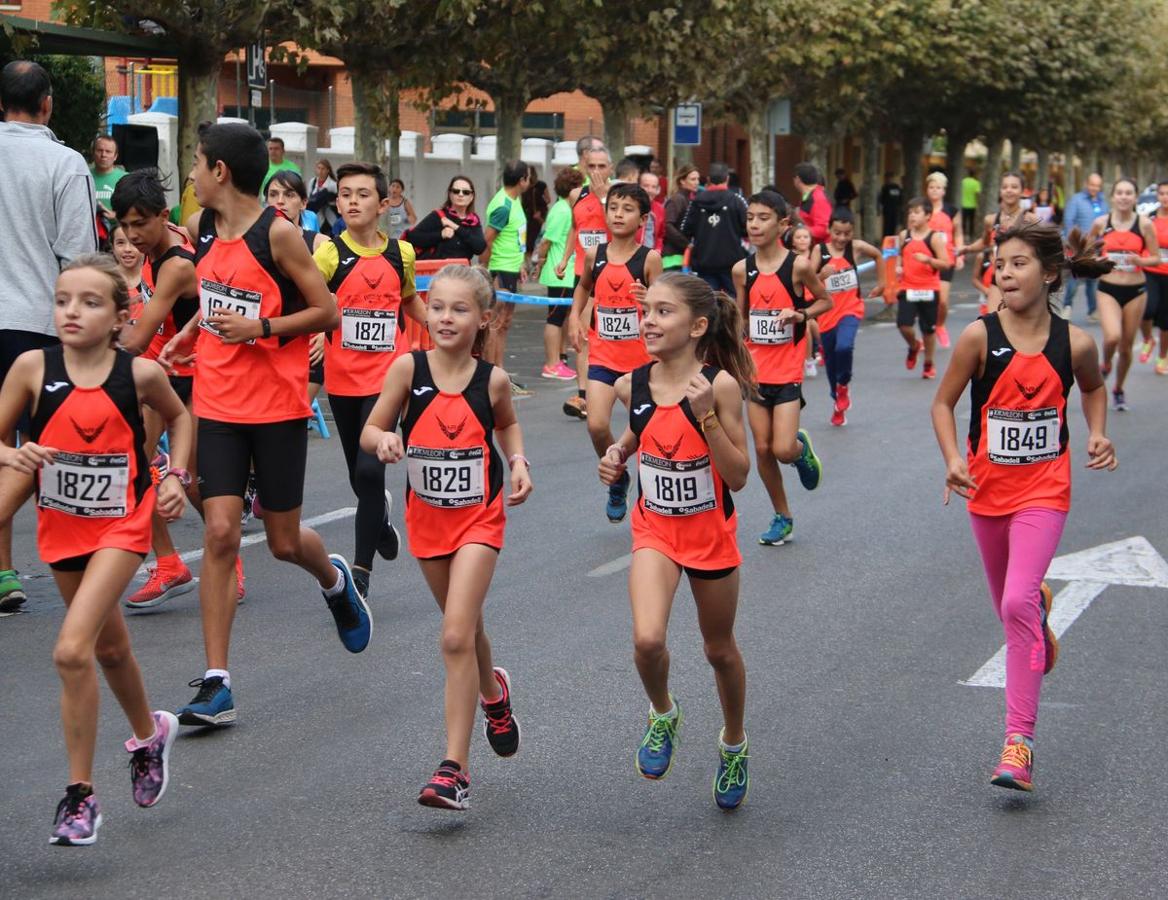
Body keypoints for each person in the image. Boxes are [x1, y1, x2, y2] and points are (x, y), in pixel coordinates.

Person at [158, 123, 370, 728]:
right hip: (218, 404)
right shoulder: (201, 230)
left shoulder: (278, 235)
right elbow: (216, 295)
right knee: (221, 532)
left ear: (220, 171)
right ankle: (217, 681)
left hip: (275, 408)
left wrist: (264, 331)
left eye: (197, 163)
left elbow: (327, 310)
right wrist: (185, 334)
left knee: (282, 541)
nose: (192, 174)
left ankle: (333, 582)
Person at [0, 254, 192, 844]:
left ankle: (79, 798)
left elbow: (180, 418)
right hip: (62, 527)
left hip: (123, 525)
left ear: (118, 316)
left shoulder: (138, 375)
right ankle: (150, 733)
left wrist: (175, 475)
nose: (71, 312)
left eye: (89, 302)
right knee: (108, 650)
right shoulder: (32, 368)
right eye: (62, 301)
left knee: (70, 650)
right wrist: (14, 456)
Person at [931, 220, 1117, 793]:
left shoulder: (1075, 343)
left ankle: (1019, 744)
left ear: (1050, 274)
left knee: (1013, 605)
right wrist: (952, 460)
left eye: (1017, 263)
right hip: (985, 493)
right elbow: (943, 404)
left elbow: (1091, 387)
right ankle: (1036, 607)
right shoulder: (978, 337)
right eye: (1000, 264)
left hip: (1045, 490)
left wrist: (1097, 433)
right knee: (1012, 607)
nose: (1004, 273)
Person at [360, 264, 531, 811]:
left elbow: (504, 423)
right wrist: (383, 439)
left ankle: (453, 769)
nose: (445, 317)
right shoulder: (408, 369)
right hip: (426, 520)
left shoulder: (492, 380)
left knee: (455, 635)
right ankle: (492, 693)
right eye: (436, 307)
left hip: (480, 518)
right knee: (466, 626)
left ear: (483, 319)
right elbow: (371, 427)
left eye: (459, 309)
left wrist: (519, 460)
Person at [597, 272, 754, 810]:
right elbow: (641, 430)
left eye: (664, 312)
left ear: (698, 326)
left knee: (719, 651)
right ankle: (663, 712)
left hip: (709, 536)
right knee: (646, 640)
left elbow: (738, 477)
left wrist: (707, 412)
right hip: (656, 530)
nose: (649, 320)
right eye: (649, 311)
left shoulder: (720, 386)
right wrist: (617, 456)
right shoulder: (631, 385)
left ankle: (734, 742)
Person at [0, 60, 97, 613]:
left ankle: (4, 574)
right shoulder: (64, 162)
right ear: (47, 105)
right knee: (49, 451)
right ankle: (74, 562)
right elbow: (79, 253)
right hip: (37, 323)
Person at [313, 161, 422, 600]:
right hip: (342, 380)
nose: (352, 201)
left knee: (369, 469)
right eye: (344, 194)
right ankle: (378, 520)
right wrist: (314, 334)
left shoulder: (402, 254)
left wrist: (445, 321)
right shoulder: (328, 255)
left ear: (383, 203)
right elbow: (312, 304)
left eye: (361, 194)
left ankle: (360, 572)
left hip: (387, 377)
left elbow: (410, 302)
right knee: (360, 481)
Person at [111, 169, 207, 609]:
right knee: (133, 470)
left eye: (139, 225)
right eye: (123, 226)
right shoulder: (162, 239)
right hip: (158, 371)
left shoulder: (175, 264)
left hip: (197, 379)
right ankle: (170, 565)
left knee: (194, 484)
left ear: (162, 217)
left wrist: (79, 347)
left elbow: (133, 337)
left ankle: (227, 558)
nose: (131, 237)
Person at [732, 190, 829, 546]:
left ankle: (800, 451)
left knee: (782, 448)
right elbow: (741, 320)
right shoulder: (742, 270)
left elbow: (826, 301)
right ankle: (782, 516)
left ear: (783, 224)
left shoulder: (798, 266)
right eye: (750, 218)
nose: (755, 224)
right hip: (756, 373)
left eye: (763, 218)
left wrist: (800, 314)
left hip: (787, 369)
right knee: (761, 448)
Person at [568, 183, 662, 523]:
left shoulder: (649, 259)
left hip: (641, 365)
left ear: (642, 219)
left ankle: (653, 500)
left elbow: (665, 305)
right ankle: (618, 476)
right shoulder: (597, 255)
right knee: (596, 425)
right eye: (614, 208)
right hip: (604, 358)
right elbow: (583, 287)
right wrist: (575, 318)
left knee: (649, 433)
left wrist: (648, 301)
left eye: (627, 209)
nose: (619, 214)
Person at [1087, 177, 1160, 411]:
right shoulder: (1100, 223)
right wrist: (1098, 260)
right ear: (1113, 196)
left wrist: (1141, 260)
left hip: (1135, 290)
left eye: (1129, 193)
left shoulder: (1145, 224)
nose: (1124, 197)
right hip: (1108, 288)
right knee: (1112, 337)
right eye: (1120, 192)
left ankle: (1118, 388)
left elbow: (1156, 257)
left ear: (1135, 197)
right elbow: (1086, 252)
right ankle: (1106, 363)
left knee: (1126, 346)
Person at [555, 144, 613, 416]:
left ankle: (613, 388)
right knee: (581, 333)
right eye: (592, 166)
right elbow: (576, 229)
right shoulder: (576, 195)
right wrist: (565, 259)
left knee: (611, 334)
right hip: (582, 271)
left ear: (611, 168)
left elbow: (621, 229)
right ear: (585, 168)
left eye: (602, 166)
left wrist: (604, 200)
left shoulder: (617, 195)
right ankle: (583, 395)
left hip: (611, 270)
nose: (597, 171)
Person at [813, 208, 885, 426]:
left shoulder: (856, 248)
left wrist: (883, 283)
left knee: (844, 347)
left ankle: (843, 385)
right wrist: (820, 276)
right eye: (837, 233)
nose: (842, 238)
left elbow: (878, 255)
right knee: (832, 366)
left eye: (847, 233)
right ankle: (838, 402)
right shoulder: (819, 251)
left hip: (851, 310)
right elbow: (807, 281)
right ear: (829, 230)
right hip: (826, 316)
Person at [955, 171, 1038, 313]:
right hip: (998, 276)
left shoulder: (1030, 219)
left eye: (1014, 187)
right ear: (1000, 191)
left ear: (1022, 191)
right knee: (994, 322)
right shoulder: (991, 220)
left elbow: (1042, 247)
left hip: (1022, 278)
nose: (1009, 190)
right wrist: (966, 249)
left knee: (1019, 322)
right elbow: (985, 242)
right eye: (1005, 187)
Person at [483, 160, 532, 392]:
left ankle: (501, 373)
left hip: (512, 268)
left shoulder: (515, 200)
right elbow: (488, 240)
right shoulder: (502, 205)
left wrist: (521, 262)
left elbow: (515, 235)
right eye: (528, 178)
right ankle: (492, 374)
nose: (529, 182)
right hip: (500, 270)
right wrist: (484, 272)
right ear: (522, 180)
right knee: (495, 322)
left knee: (504, 323)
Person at [536, 166, 585, 381]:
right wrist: (540, 262)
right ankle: (552, 364)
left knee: (563, 316)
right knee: (554, 318)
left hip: (567, 272)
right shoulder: (562, 211)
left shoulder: (568, 208)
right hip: (560, 273)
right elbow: (546, 241)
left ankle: (560, 358)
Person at [896, 197, 952, 379]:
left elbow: (945, 263)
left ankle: (928, 363)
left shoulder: (934, 238)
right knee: (903, 325)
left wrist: (928, 260)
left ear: (928, 215)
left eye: (917, 212)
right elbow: (899, 255)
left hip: (929, 288)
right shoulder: (905, 235)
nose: (912, 216)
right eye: (910, 212)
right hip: (908, 287)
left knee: (928, 329)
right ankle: (913, 345)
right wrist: (898, 266)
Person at [680, 162, 747, 294]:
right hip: (731, 262)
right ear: (727, 178)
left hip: (704, 262)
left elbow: (685, 229)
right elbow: (748, 228)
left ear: (709, 180)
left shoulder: (696, 202)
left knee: (708, 301)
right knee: (733, 299)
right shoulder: (736, 200)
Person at [407, 175, 487, 262]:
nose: (460, 194)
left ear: (471, 197)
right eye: (456, 191)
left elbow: (480, 248)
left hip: (462, 272)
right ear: (450, 194)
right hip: (438, 271)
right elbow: (413, 237)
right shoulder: (439, 216)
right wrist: (440, 235)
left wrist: (456, 227)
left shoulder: (473, 221)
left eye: (466, 192)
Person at [925, 171, 965, 349]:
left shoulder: (952, 211)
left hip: (946, 259)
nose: (934, 191)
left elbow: (958, 233)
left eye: (938, 188)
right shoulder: (921, 209)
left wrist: (961, 254)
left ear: (944, 191)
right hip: (926, 260)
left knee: (942, 301)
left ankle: (940, 325)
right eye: (932, 187)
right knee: (926, 301)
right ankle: (928, 332)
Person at [1060, 173, 1107, 321]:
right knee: (1075, 279)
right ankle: (1067, 307)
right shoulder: (1076, 200)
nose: (1095, 188)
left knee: (1093, 280)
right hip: (1079, 247)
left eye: (1098, 185)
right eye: (1092, 185)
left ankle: (1092, 311)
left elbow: (1106, 223)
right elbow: (1069, 222)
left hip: (1096, 247)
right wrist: (1073, 244)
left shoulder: (1103, 202)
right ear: (1087, 183)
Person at [1139, 180, 1168, 374]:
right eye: (1162, 193)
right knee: (1147, 310)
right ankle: (1148, 338)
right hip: (1150, 271)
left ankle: (1162, 357)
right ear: (1157, 196)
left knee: (1166, 322)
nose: (1165, 197)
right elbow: (1139, 243)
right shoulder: (1148, 219)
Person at [266, 170, 325, 249]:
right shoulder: (252, 241)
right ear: (266, 201)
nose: (280, 201)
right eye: (273, 195)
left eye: (289, 195)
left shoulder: (320, 244)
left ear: (303, 203)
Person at [663, 165, 699, 271]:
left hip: (683, 256)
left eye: (697, 179)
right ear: (682, 181)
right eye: (693, 179)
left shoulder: (688, 200)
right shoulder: (677, 200)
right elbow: (668, 225)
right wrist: (687, 244)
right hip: (672, 258)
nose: (697, 182)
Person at [793, 162, 831, 243]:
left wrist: (801, 230)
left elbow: (824, 229)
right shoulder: (808, 195)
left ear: (797, 179)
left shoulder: (819, 198)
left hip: (823, 250)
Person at [90, 134, 126, 218]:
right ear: (93, 153)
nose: (103, 155)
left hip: (116, 228)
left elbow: (134, 210)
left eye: (108, 151)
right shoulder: (84, 177)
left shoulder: (126, 179)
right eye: (99, 150)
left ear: (115, 156)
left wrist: (116, 216)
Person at [306, 158, 338, 234]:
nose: (320, 171)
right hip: (315, 216)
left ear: (328, 170)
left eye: (323, 169)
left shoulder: (333, 185)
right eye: (319, 168)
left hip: (328, 217)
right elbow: (309, 196)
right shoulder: (312, 182)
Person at [637, 170, 666, 252]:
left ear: (658, 190)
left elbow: (661, 235)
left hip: (650, 256)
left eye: (654, 187)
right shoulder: (629, 206)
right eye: (646, 186)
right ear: (638, 186)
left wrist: (658, 248)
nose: (650, 190)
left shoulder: (660, 209)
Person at [521, 178, 549, 258]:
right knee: (528, 243)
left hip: (535, 217)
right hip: (530, 218)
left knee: (533, 241)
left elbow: (548, 199)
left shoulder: (540, 185)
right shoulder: (525, 190)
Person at [879, 172, 904, 237]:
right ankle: (886, 238)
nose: (889, 179)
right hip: (887, 210)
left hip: (895, 209)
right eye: (887, 178)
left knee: (894, 225)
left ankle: (892, 238)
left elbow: (900, 198)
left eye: (890, 178)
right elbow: (882, 199)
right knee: (887, 226)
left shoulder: (897, 187)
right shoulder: (884, 187)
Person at [961, 169, 981, 237]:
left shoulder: (963, 181)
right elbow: (977, 194)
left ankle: (963, 234)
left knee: (964, 220)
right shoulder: (976, 183)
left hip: (963, 204)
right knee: (971, 220)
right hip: (973, 205)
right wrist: (978, 203)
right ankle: (970, 235)